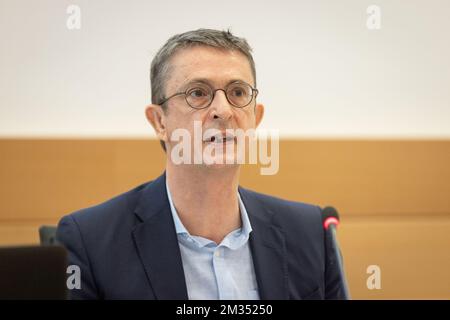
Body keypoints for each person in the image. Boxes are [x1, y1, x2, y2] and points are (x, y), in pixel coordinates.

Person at [56, 28, 344, 300]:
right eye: (198, 93)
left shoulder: (311, 234)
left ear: (255, 118)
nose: (223, 111)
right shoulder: (89, 241)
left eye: (238, 92)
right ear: (159, 121)